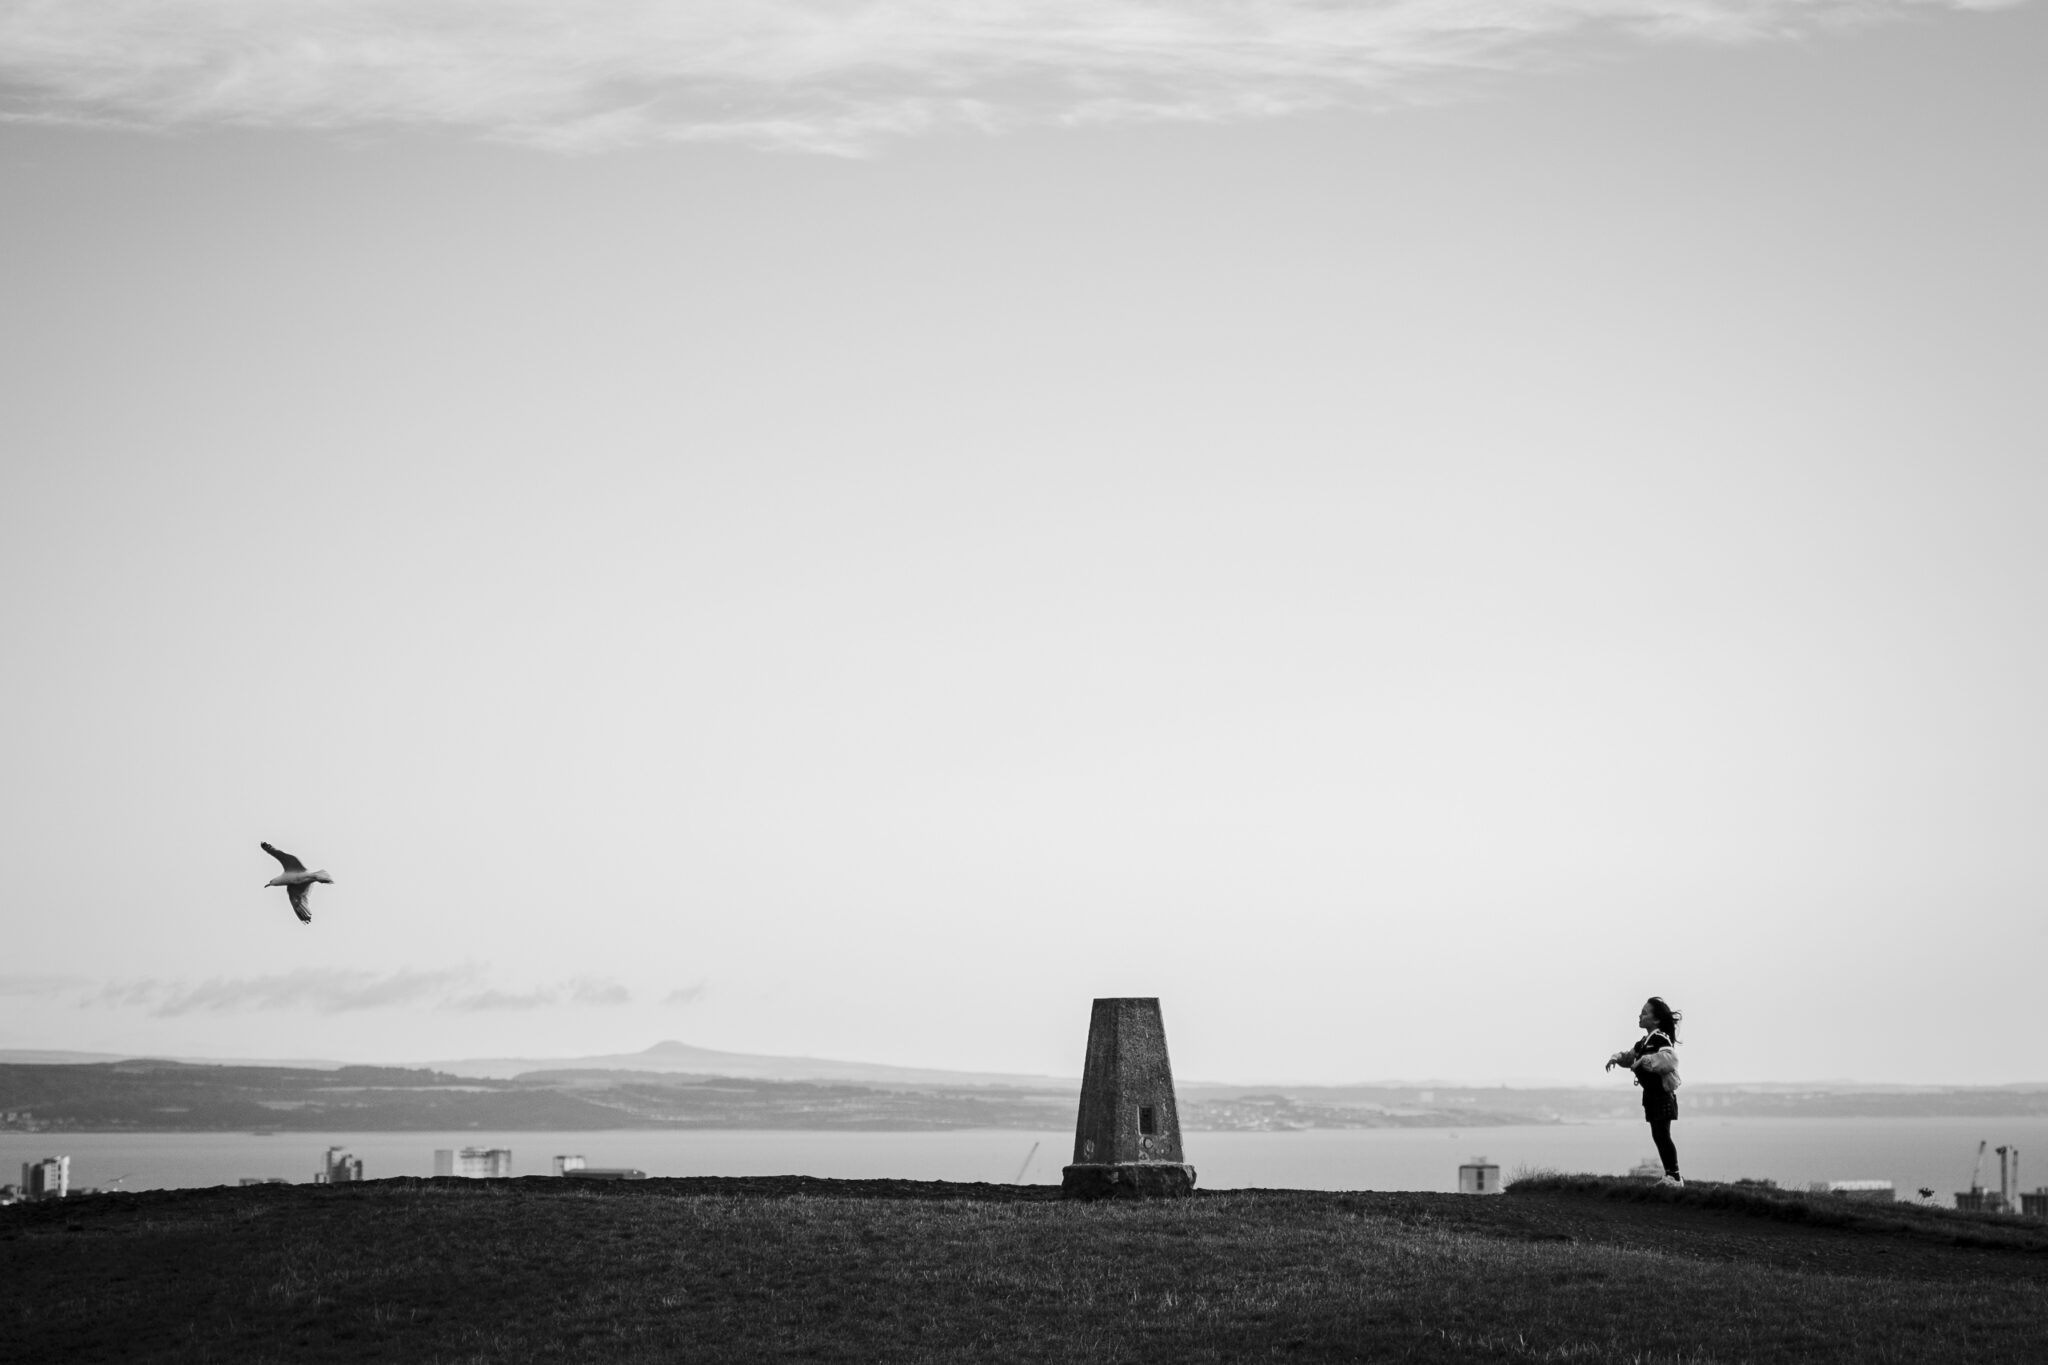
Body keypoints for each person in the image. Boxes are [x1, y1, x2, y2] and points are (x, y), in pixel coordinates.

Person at [1606, 996, 1683, 1187]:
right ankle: (1671, 1176)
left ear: (1656, 1019)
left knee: (1662, 1135)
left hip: (1662, 1095)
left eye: (1644, 1013)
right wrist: (1616, 1058)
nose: (1640, 1016)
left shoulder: (1660, 1038)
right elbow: (1630, 1057)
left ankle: (1674, 1177)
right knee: (1658, 1135)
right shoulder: (1643, 1043)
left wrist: (1645, 1061)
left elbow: (1670, 1059)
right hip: (1650, 1096)